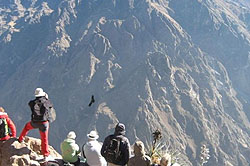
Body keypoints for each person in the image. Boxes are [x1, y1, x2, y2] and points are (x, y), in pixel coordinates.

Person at [18, 88, 54, 161]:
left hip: (35, 122)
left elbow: (30, 103)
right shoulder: (46, 102)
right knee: (44, 139)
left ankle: (20, 139)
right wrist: (46, 98)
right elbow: (50, 105)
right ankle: (45, 155)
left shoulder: (32, 103)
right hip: (44, 123)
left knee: (26, 127)